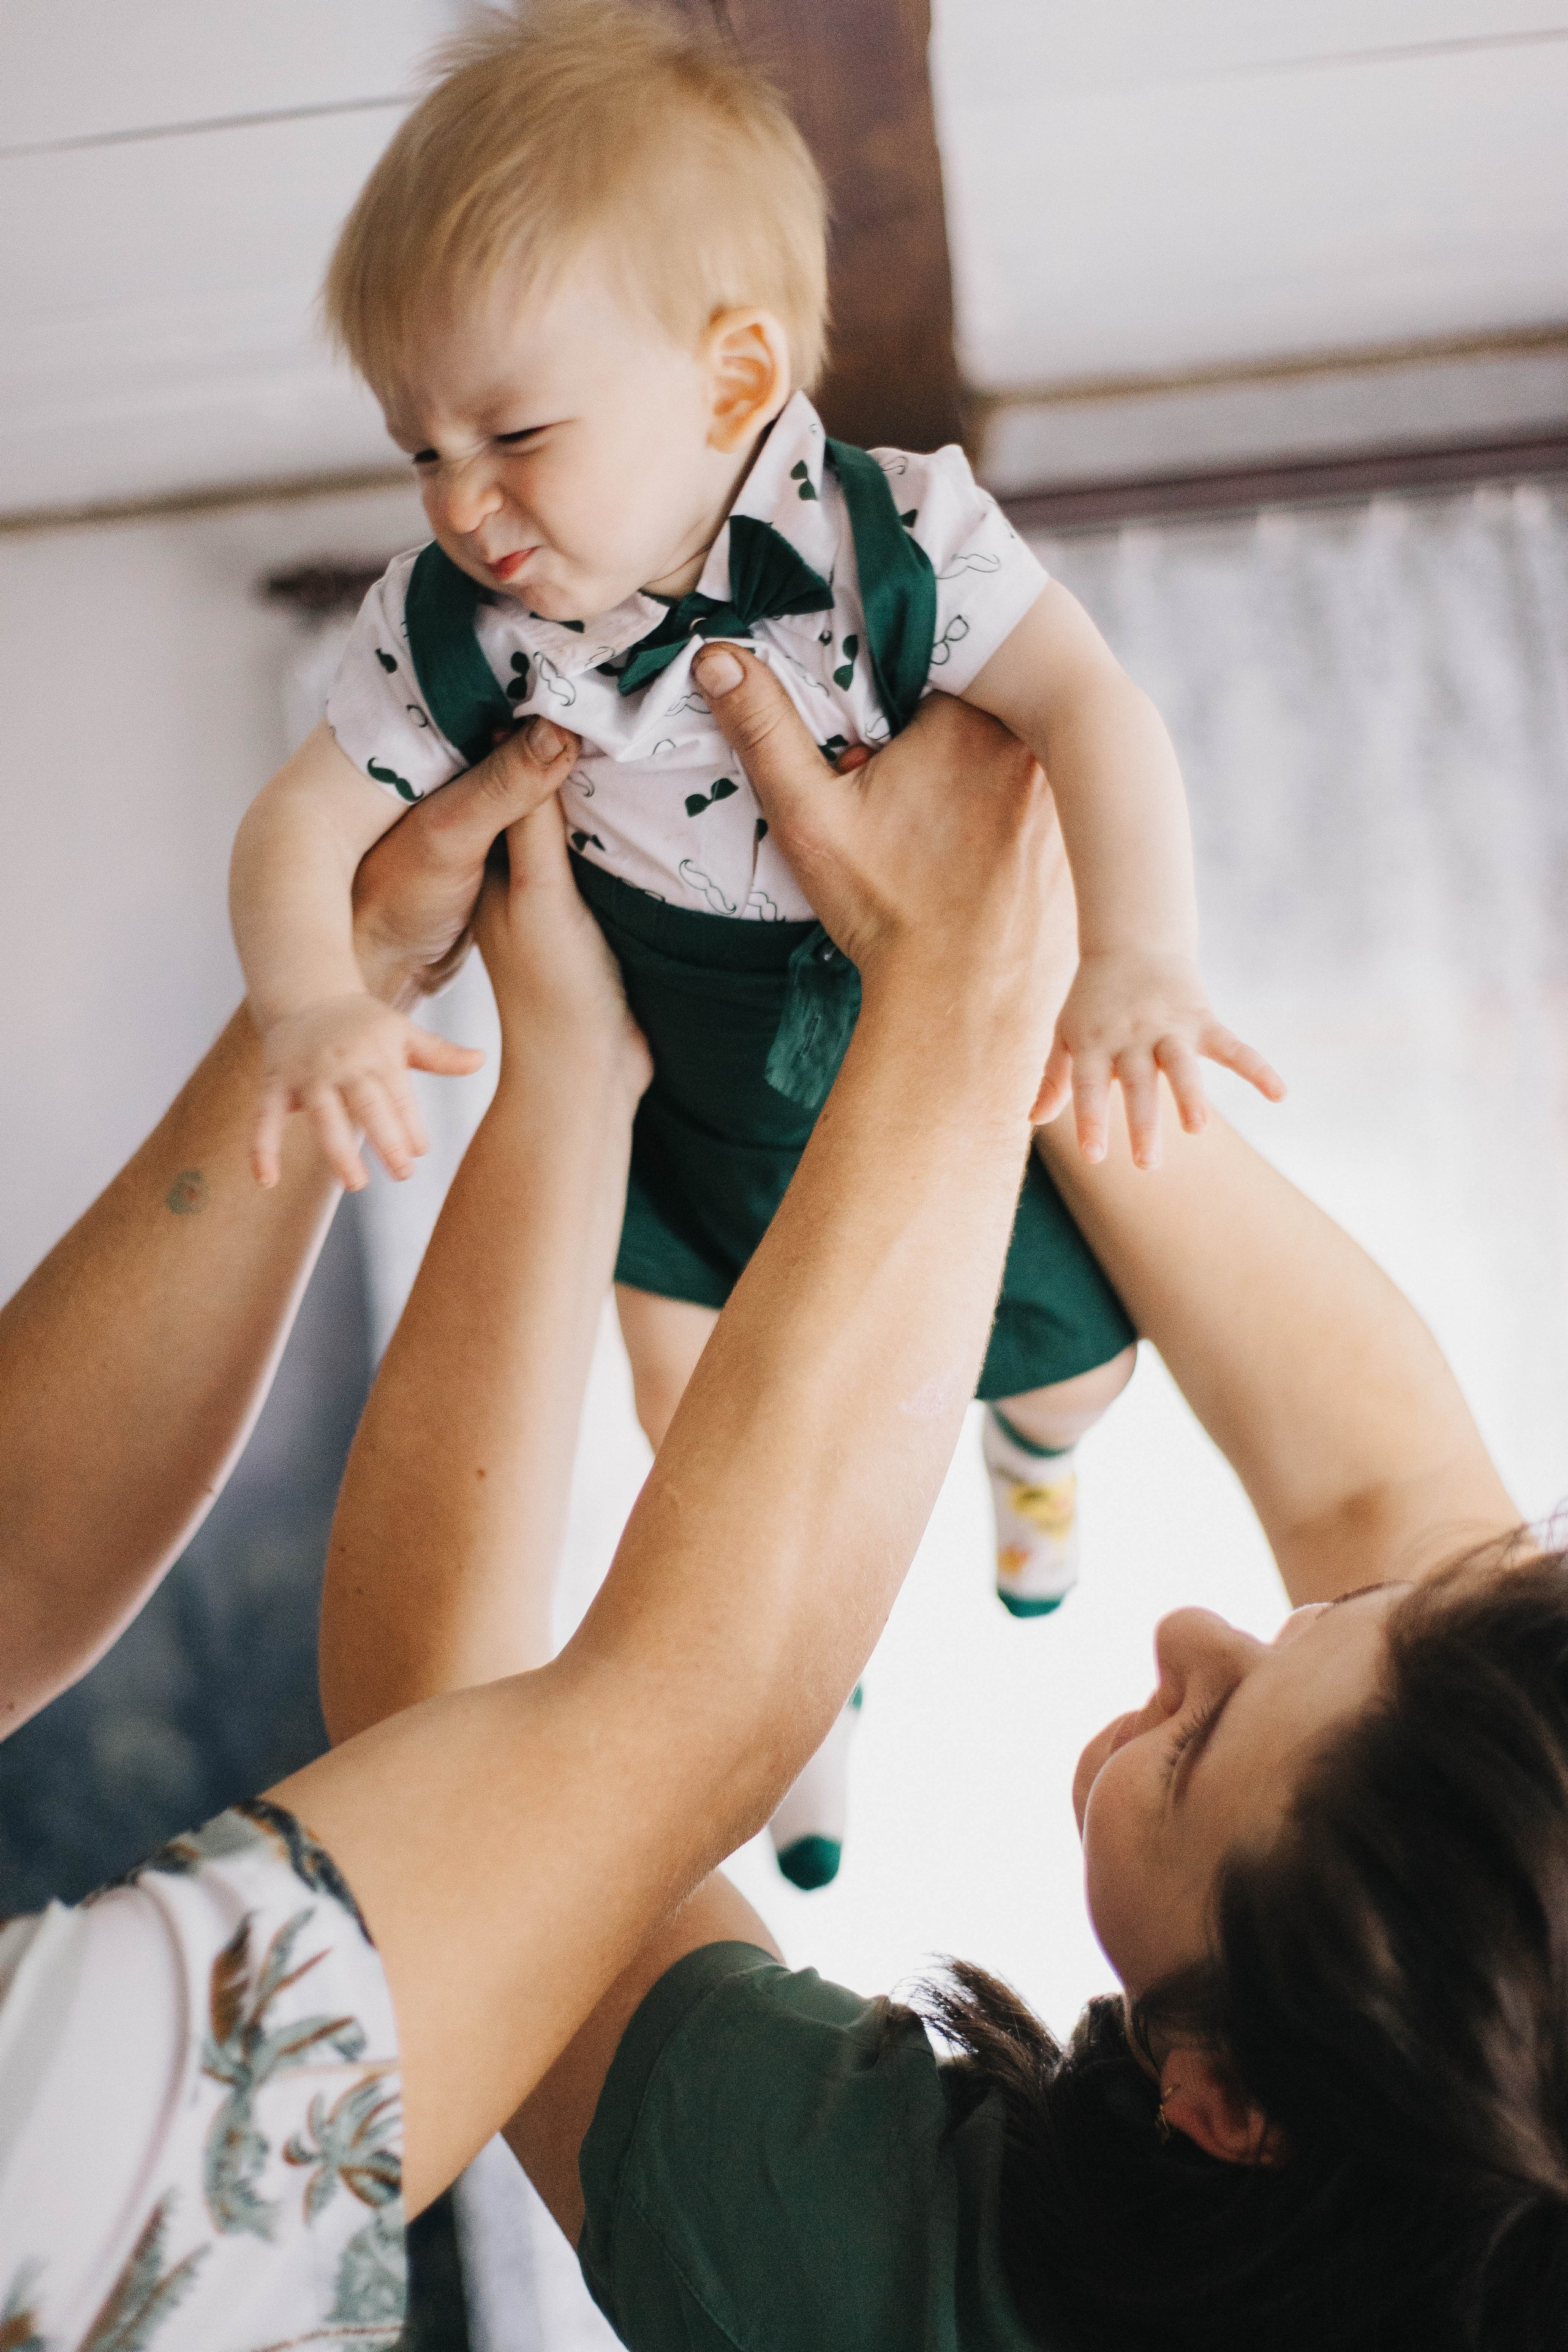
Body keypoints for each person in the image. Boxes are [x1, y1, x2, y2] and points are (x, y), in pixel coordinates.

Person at [0, 651, 1529, 2350]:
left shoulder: (874, 2289)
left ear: (1228, 2106)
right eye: (1325, 1619)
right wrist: (1026, 997)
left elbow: (469, 1725)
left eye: (1203, 1738)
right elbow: (1396, 1501)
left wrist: (626, 1068)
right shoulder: (1468, 2009)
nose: (1190, 1628)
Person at [225, 7, 1285, 1910]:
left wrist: (1140, 956)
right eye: (421, 448)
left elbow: (1095, 711)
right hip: (688, 1087)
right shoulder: (456, 626)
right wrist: (311, 995)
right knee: (698, 1430)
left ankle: (1035, 1467)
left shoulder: (902, 539)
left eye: (513, 436)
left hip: (922, 1057)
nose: (458, 500)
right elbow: (300, 825)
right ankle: (807, 1702)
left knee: (1069, 1367)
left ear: (732, 380)